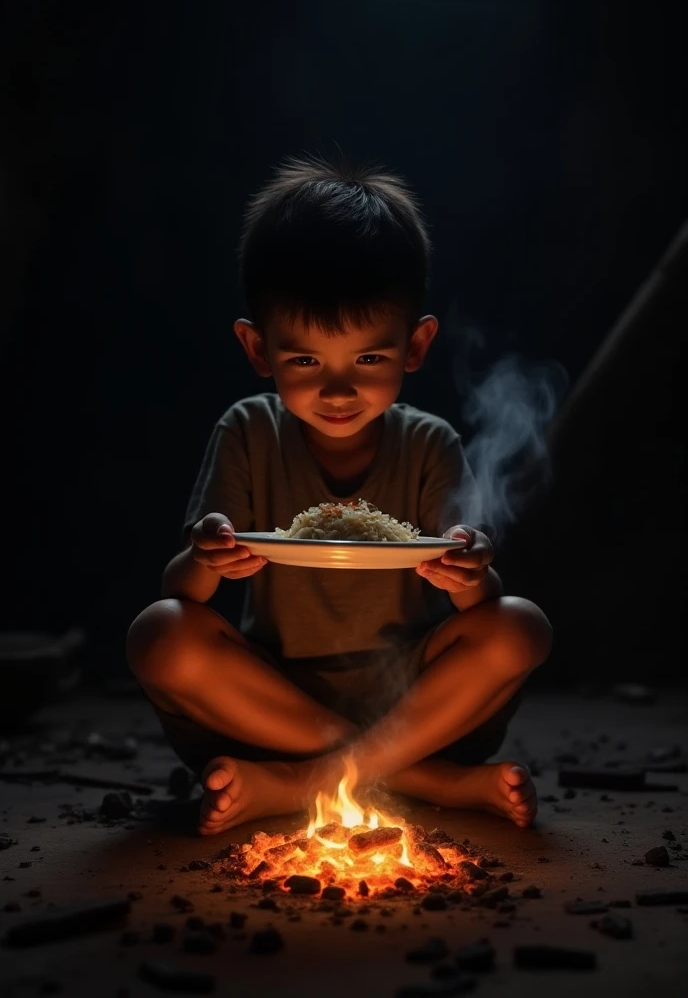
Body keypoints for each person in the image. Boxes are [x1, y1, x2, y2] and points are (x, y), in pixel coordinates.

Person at [127, 156, 552, 836]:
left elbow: (478, 603)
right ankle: (426, 780)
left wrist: (471, 571)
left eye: (369, 360)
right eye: (304, 361)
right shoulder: (248, 430)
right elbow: (186, 592)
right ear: (258, 349)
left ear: (415, 346)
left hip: (416, 699)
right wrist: (208, 557)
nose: (337, 390)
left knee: (521, 624)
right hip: (272, 697)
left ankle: (301, 784)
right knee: (159, 633)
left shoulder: (430, 444)